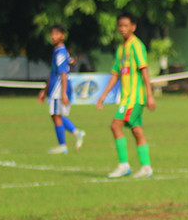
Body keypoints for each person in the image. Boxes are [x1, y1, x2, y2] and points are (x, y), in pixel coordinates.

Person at [96, 12, 156, 178]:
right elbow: (115, 74)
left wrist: (150, 94)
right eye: (120, 26)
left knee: (115, 126)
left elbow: (144, 70)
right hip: (125, 97)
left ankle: (124, 165)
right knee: (137, 131)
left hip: (134, 97)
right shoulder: (121, 49)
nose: (122, 29)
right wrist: (103, 96)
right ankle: (146, 168)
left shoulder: (136, 45)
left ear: (133, 27)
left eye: (125, 25)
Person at [38, 24, 85, 154]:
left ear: (62, 36)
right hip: (55, 88)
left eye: (56, 34)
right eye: (52, 34)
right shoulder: (57, 51)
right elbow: (53, 72)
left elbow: (63, 73)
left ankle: (65, 143)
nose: (53, 37)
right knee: (56, 115)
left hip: (58, 89)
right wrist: (44, 90)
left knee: (56, 115)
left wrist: (64, 93)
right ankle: (75, 134)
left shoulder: (61, 53)